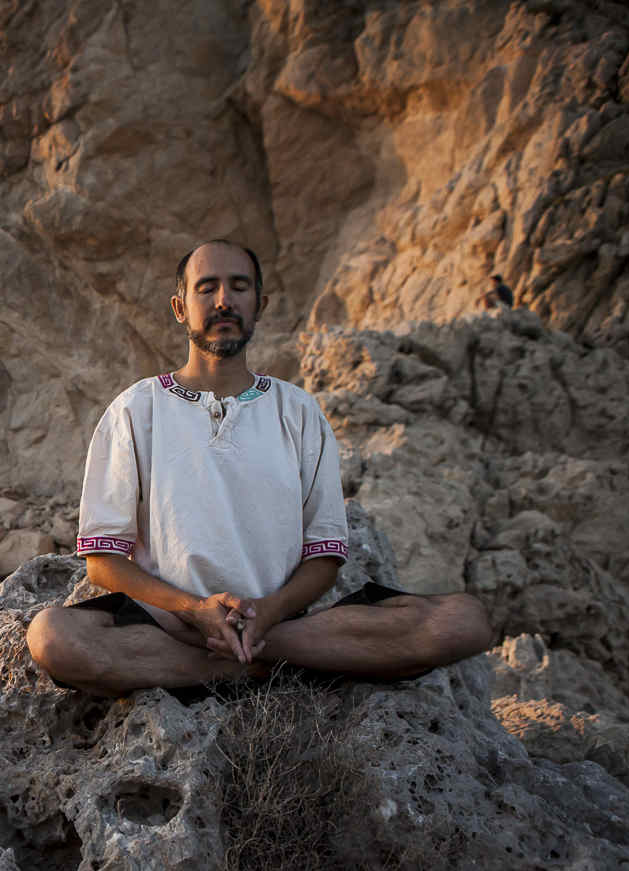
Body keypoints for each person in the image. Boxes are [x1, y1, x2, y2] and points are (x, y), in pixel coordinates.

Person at [26, 239, 493, 696]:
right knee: (53, 637)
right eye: (206, 288)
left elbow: (324, 557)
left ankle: (251, 654)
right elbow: (104, 562)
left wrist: (266, 615)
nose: (224, 300)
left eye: (239, 287)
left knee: (463, 622)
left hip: (288, 624)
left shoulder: (298, 411)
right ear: (179, 308)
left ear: (260, 304)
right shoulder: (135, 410)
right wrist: (194, 610)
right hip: (170, 627)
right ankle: (254, 669)